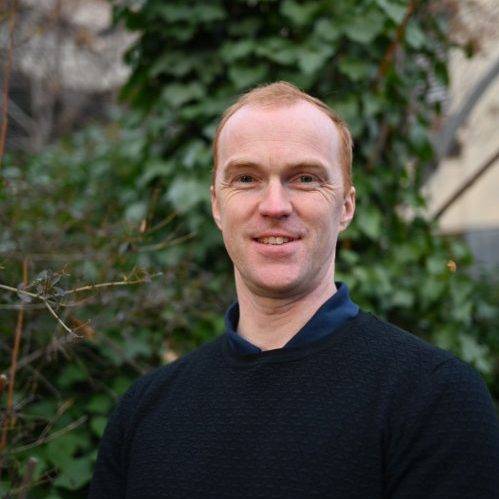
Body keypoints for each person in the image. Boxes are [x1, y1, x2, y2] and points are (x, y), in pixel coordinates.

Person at [89, 82, 499, 498]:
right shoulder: (144, 413)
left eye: (304, 178)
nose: (274, 206)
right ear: (216, 205)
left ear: (346, 207)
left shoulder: (436, 399)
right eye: (246, 178)